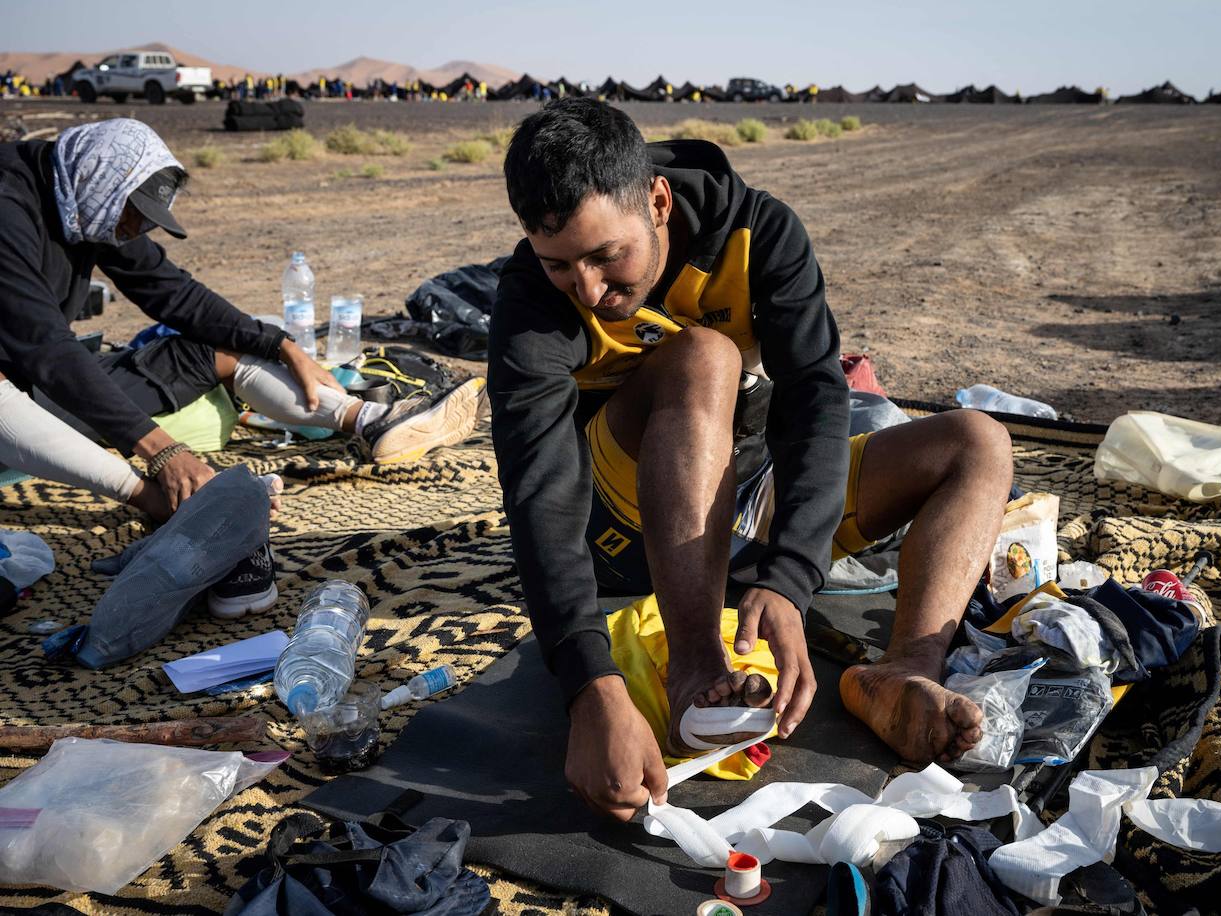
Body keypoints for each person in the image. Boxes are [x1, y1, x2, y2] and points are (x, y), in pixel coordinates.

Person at [488, 99, 1013, 820]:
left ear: (659, 201)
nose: (588, 289)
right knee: (705, 354)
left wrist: (792, 572)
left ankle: (903, 670)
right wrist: (590, 688)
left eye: (607, 256)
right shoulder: (527, 304)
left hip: (739, 486)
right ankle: (696, 664)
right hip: (621, 522)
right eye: (559, 266)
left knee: (977, 442)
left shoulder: (759, 231)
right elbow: (537, 486)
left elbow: (817, 400)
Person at [0, 118, 485, 523]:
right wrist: (163, 451)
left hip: (44, 381)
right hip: (19, 388)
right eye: (133, 217)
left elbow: (170, 290)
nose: (134, 232)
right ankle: (156, 501)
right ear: (101, 181)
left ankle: (373, 421)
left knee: (223, 349)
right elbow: (46, 348)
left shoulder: (85, 198)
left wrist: (279, 345)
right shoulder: (10, 207)